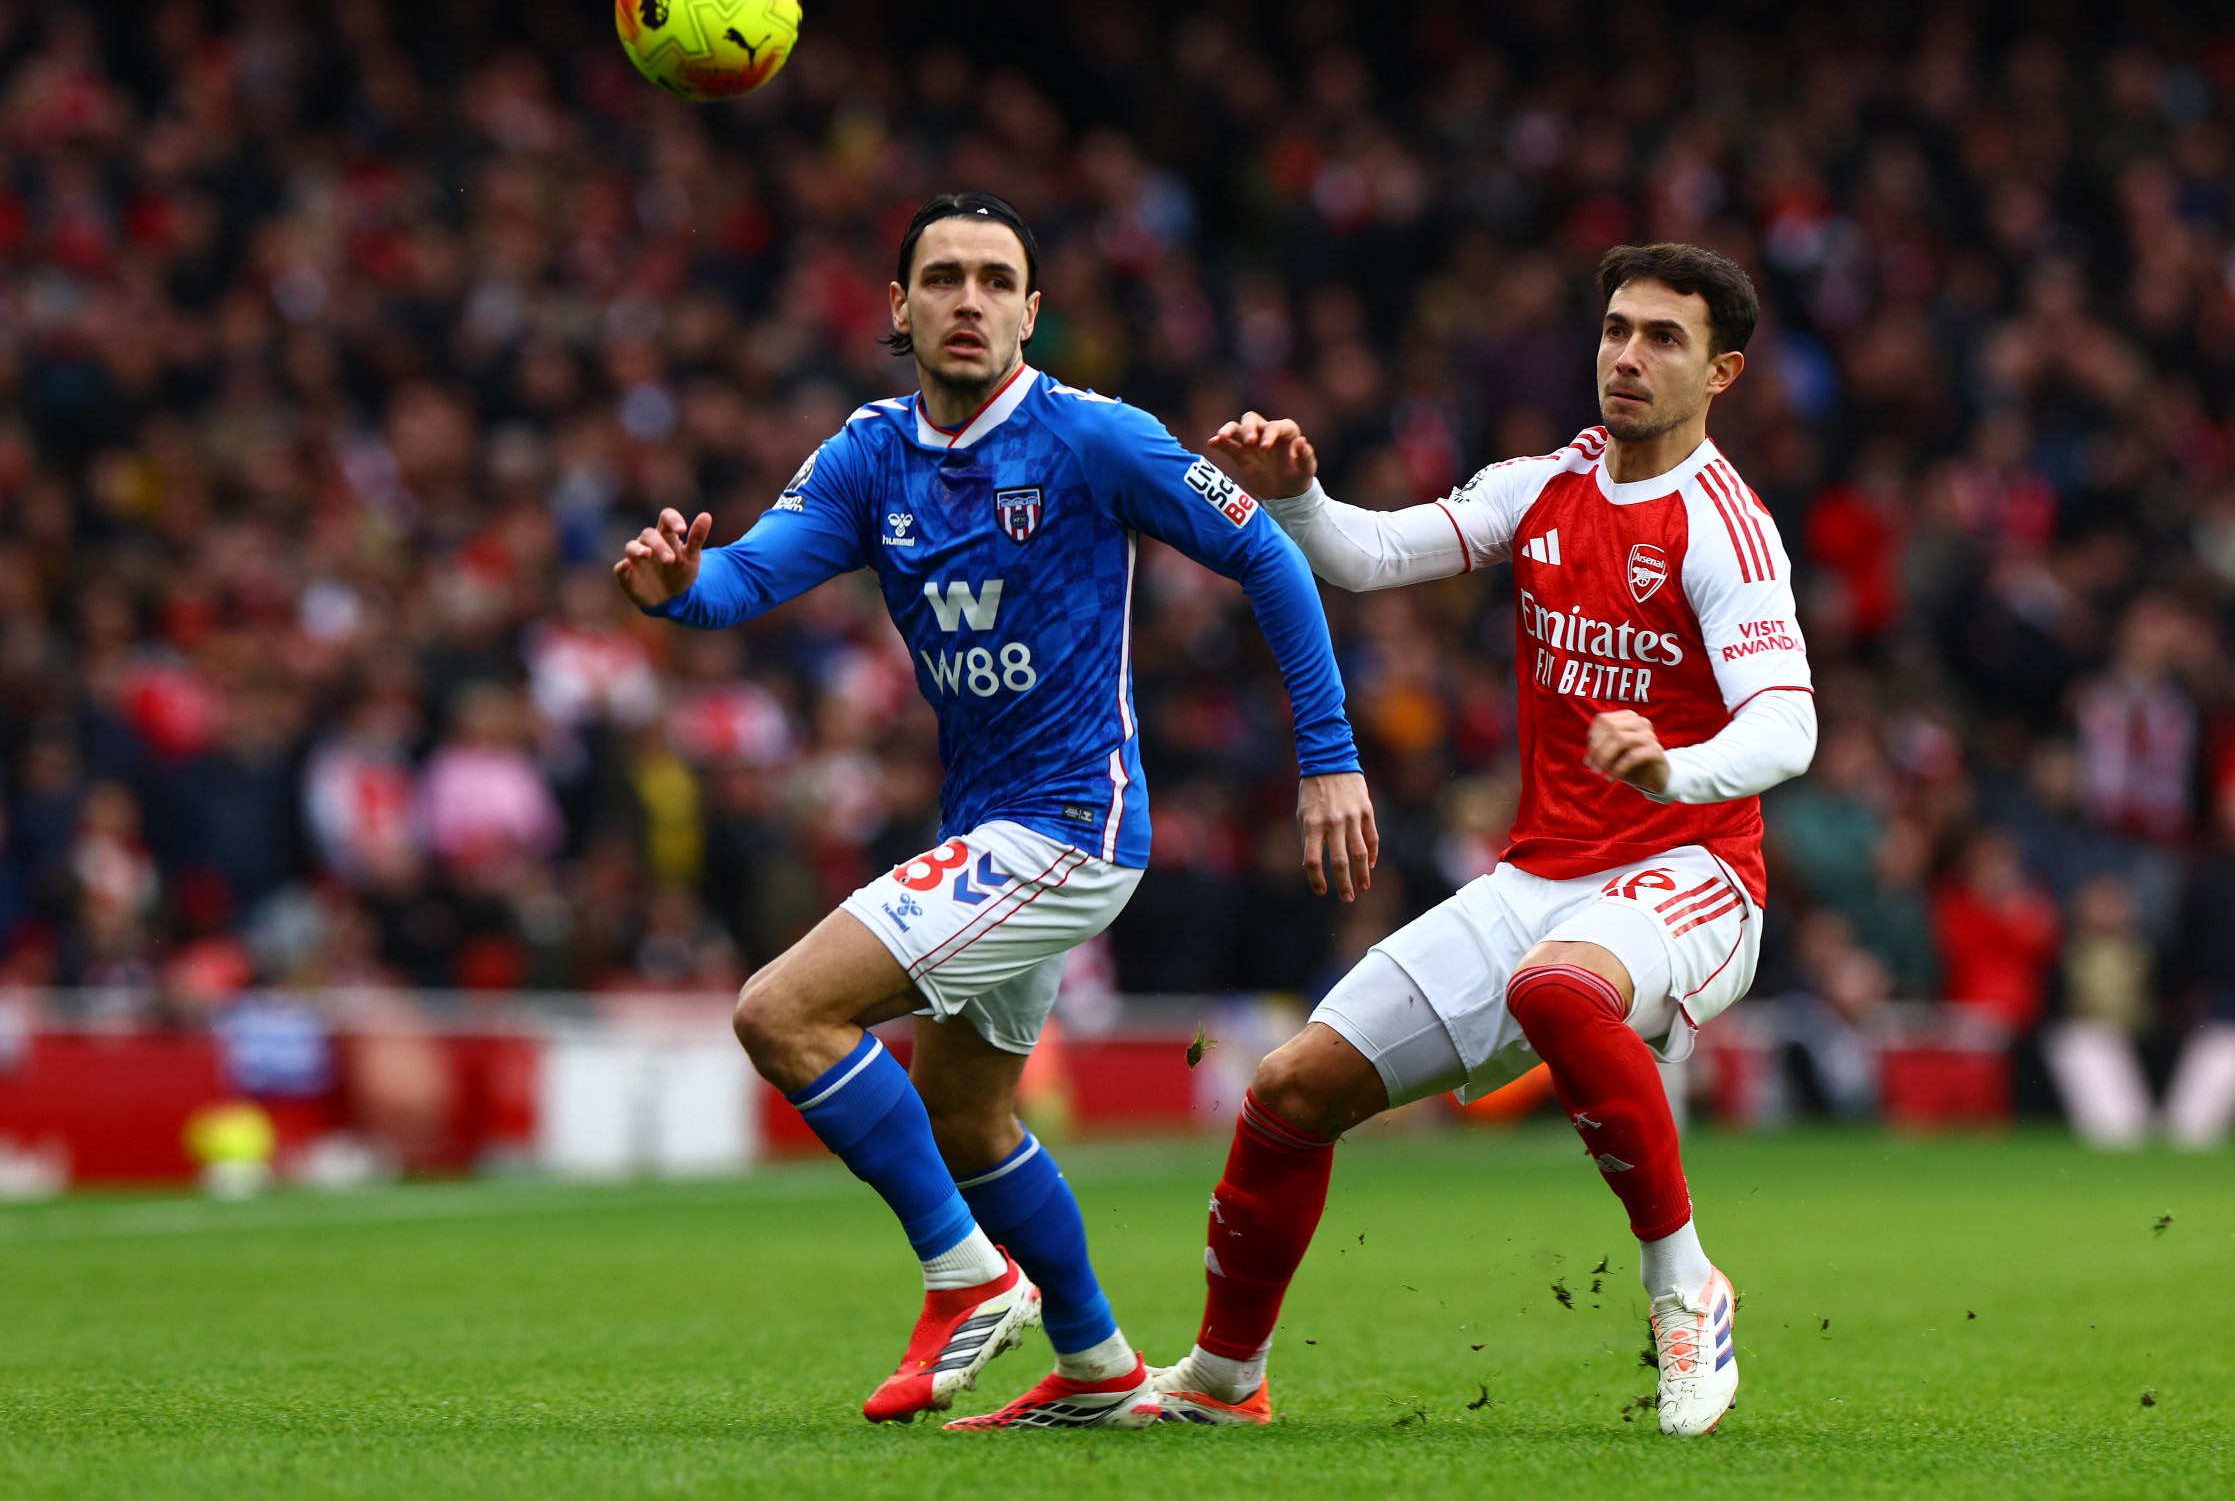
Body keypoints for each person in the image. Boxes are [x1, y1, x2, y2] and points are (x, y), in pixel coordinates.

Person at [615, 192, 1377, 1429]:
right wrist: (677, 585)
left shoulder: (1095, 438)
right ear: (899, 308)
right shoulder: (869, 454)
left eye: (994, 280)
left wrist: (1329, 756)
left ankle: (967, 1277)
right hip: (986, 827)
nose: (968, 300)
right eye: (944, 278)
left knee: (782, 1012)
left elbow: (1270, 554)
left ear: (1033, 310)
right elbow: (747, 575)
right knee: (965, 1113)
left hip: (1073, 822)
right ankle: (1098, 1368)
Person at [1153, 243, 1814, 1437]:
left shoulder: (1725, 526)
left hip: (1697, 872)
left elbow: (1790, 727)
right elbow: (1366, 557)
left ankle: (1685, 1285)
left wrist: (1679, 768)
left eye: (1663, 338)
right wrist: (1296, 493)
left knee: (1560, 991)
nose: (1627, 355)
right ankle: (1221, 1380)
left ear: (1723, 373)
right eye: (1616, 328)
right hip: (1542, 875)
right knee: (1290, 1090)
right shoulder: (1539, 486)